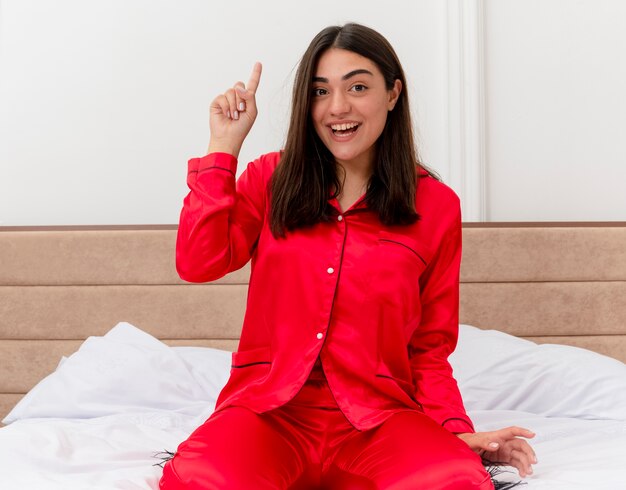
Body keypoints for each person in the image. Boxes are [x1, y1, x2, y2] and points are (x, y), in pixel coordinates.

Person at [159, 22, 536, 490]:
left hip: (379, 421)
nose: (338, 108)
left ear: (393, 94)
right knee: (200, 478)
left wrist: (455, 430)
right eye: (320, 91)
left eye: (358, 86)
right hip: (270, 414)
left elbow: (429, 350)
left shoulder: (436, 206)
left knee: (455, 480)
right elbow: (198, 262)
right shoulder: (270, 179)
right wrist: (223, 147)